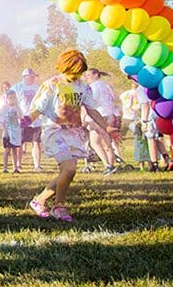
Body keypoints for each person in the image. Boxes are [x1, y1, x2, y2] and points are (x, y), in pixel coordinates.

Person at [27, 50, 109, 222]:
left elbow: (92, 110)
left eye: (79, 73)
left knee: (67, 172)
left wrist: (107, 128)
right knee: (69, 168)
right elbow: (39, 107)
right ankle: (59, 206)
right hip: (54, 131)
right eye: (72, 72)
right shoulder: (52, 84)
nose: (75, 76)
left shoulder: (83, 87)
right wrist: (28, 119)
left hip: (74, 133)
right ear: (63, 68)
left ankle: (39, 200)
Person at [83, 68, 118, 175]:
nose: (86, 78)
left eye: (88, 75)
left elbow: (91, 103)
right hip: (109, 114)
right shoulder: (106, 86)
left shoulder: (92, 87)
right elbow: (113, 99)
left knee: (95, 143)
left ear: (96, 75)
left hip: (99, 116)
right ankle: (110, 165)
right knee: (107, 142)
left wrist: (85, 118)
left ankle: (108, 165)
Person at [12, 69, 42, 171]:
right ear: (25, 77)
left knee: (36, 142)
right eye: (31, 77)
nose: (33, 78)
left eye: (34, 77)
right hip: (22, 119)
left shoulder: (37, 87)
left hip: (35, 118)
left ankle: (37, 165)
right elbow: (10, 99)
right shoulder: (17, 87)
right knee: (20, 143)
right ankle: (18, 165)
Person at [136, 86, 171, 171]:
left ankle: (154, 164)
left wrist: (144, 121)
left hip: (149, 117)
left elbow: (145, 105)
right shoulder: (155, 86)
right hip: (159, 114)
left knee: (151, 140)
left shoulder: (140, 89)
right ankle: (168, 160)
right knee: (158, 139)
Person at [120, 80, 149, 170]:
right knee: (141, 139)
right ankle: (147, 162)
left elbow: (120, 104)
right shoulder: (140, 93)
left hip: (127, 118)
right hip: (135, 120)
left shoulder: (124, 93)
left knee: (118, 138)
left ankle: (118, 156)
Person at [0, 90, 23, 173]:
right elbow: (1, 121)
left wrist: (17, 109)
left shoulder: (17, 107)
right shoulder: (4, 108)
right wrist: (5, 131)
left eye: (13, 97)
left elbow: (20, 117)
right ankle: (5, 168)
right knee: (7, 150)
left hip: (15, 131)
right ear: (7, 99)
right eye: (10, 97)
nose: (12, 99)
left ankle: (15, 167)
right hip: (7, 131)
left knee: (14, 150)